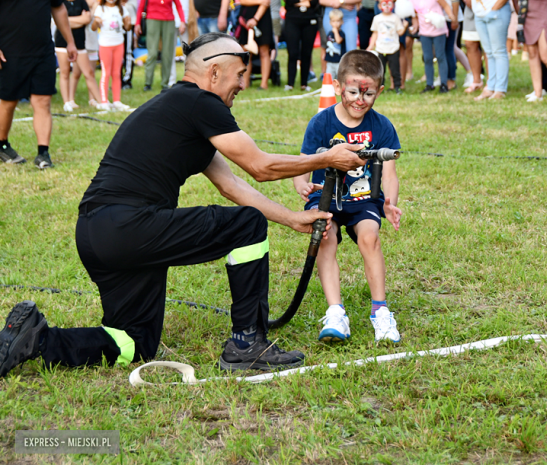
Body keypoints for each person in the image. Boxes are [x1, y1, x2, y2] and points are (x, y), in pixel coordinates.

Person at [0, 32, 368, 380]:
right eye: (239, 75)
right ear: (213, 72)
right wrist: (328, 159)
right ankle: (247, 344)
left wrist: (291, 218)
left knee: (135, 341)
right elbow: (260, 166)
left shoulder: (179, 108)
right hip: (129, 226)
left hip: (97, 235)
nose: (242, 84)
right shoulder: (200, 102)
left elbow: (232, 185)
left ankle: (38, 339)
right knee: (247, 225)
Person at [292, 50, 402, 344]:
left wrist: (389, 202)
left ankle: (381, 311)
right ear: (339, 86)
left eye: (367, 94)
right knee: (325, 237)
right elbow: (301, 165)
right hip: (324, 197)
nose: (359, 100)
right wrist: (302, 185)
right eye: (353, 91)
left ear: (379, 91)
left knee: (370, 237)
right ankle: (335, 312)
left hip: (364, 198)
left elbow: (389, 174)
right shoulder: (321, 123)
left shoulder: (381, 126)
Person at [0, 0, 77, 169]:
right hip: (10, 53)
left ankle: (43, 153)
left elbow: (58, 8)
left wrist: (70, 41)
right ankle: (2, 145)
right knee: (8, 103)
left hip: (43, 50)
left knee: (42, 101)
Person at [462, 0, 513, 101]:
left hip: (496, 13)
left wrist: (495, 7)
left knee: (499, 51)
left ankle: (500, 89)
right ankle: (490, 87)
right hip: (480, 14)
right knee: (488, 52)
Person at [135, 0, 186, 92]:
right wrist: (137, 23)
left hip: (168, 21)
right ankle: (148, 82)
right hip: (152, 20)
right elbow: (141, 7)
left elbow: (178, 6)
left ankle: (165, 82)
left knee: (168, 53)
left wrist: (182, 21)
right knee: (152, 52)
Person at [412, 0, 460, 90]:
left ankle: (451, 79)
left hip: (449, 17)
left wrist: (454, 18)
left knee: (448, 49)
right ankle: (441, 78)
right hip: (438, 20)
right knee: (442, 51)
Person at [55, 0, 100, 113]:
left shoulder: (82, 2)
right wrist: (77, 20)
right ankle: (67, 101)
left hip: (80, 43)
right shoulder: (59, 1)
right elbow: (59, 21)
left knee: (88, 73)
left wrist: (68, 21)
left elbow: (86, 20)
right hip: (62, 42)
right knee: (65, 72)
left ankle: (101, 101)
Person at [407, 0, 454, 93]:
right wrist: (415, 27)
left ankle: (444, 83)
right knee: (427, 57)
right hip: (424, 32)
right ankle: (429, 84)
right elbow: (415, 16)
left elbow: (445, 5)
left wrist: (451, 16)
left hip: (438, 30)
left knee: (440, 56)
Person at [283, 0, 321, 91]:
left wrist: (299, 1)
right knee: (292, 52)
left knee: (307, 52)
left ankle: (304, 83)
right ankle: (290, 83)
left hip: (309, 20)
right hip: (292, 20)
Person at [236, 0, 274, 90]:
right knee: (245, 52)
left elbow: (266, 3)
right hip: (245, 18)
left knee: (264, 51)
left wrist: (256, 19)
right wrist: (260, 0)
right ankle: (244, 83)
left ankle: (264, 83)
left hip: (262, 19)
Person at [373, 0, 410, 89]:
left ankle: (400, 83)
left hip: (396, 14)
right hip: (382, 16)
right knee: (386, 49)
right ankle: (391, 82)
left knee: (398, 48)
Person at [93, 0, 132, 110]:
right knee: (106, 72)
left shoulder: (122, 9)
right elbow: (94, 28)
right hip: (105, 44)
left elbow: (127, 27)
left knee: (116, 73)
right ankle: (104, 101)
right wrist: (96, 22)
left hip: (118, 43)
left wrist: (128, 23)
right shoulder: (101, 9)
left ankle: (117, 100)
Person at [108, 0, 140, 91]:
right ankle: (117, 79)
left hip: (128, 18)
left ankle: (126, 80)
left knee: (127, 50)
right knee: (115, 50)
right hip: (114, 18)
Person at [165, 0, 197, 87]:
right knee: (169, 52)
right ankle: (170, 80)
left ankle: (189, 78)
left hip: (186, 21)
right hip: (168, 21)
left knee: (188, 51)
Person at [368, 0, 407, 92]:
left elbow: (400, 32)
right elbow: (375, 33)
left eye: (389, 4)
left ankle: (397, 86)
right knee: (381, 70)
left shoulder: (395, 18)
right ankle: (380, 87)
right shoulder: (377, 19)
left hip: (393, 48)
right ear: (379, 5)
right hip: (381, 48)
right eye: (383, 4)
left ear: (392, 5)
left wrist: (405, 26)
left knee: (395, 69)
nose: (386, 7)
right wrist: (371, 45)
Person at [72, 0, 101, 107]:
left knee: (91, 73)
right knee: (76, 74)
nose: (95, 0)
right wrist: (93, 11)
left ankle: (92, 99)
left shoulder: (98, 10)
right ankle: (70, 99)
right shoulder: (82, 8)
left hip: (93, 44)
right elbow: (86, 21)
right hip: (81, 45)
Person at [325, 9, 346, 77]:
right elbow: (328, 43)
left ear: (342, 22)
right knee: (329, 77)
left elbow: (338, 41)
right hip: (330, 60)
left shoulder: (341, 33)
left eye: (338, 21)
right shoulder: (329, 33)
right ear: (330, 22)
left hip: (339, 61)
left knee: (340, 77)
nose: (335, 23)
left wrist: (336, 31)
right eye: (333, 21)